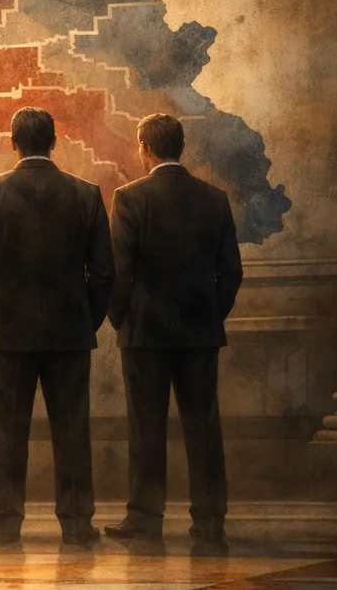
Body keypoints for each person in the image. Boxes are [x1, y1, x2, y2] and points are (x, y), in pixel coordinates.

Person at [0, 107, 114, 546]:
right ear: (54, 141)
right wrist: (87, 318)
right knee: (72, 429)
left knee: (7, 432)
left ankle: (5, 521)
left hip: (8, 333)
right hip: (70, 331)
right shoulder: (86, 195)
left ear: (13, 143)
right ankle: (78, 523)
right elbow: (103, 274)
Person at [104, 113, 242, 544]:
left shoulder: (129, 198)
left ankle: (145, 518)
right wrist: (210, 314)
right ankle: (209, 520)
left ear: (144, 148)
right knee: (203, 425)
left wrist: (120, 317)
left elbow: (119, 272)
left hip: (145, 333)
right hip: (199, 331)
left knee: (146, 426)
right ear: (180, 146)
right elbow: (231, 272)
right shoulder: (214, 198)